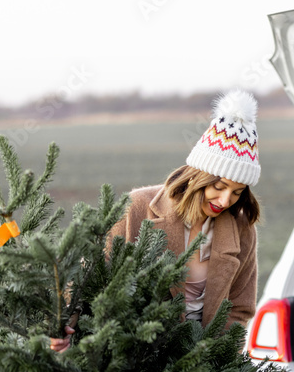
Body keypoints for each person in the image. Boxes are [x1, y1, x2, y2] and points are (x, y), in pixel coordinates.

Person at [50, 89, 262, 353]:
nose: (225, 200)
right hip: (134, 354)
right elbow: (86, 274)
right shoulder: (137, 208)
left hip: (203, 361)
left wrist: (218, 359)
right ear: (199, 176)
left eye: (237, 192)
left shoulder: (242, 230)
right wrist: (63, 324)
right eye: (219, 186)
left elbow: (240, 308)